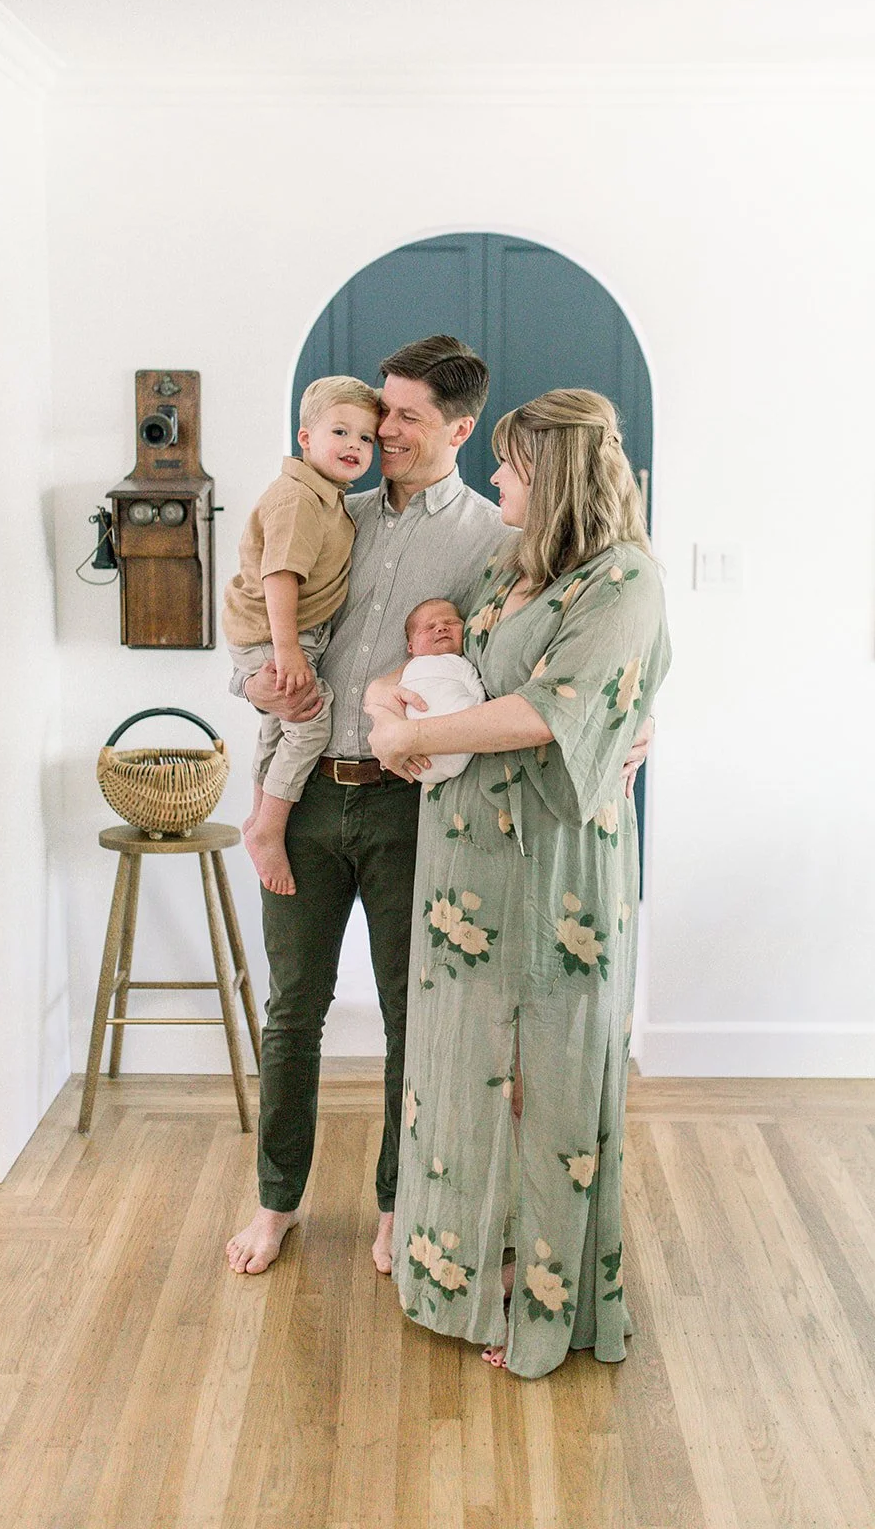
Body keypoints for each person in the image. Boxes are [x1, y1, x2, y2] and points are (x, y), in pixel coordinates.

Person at [366, 389, 671, 1379]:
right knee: (460, 1071)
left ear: (553, 477)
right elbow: (424, 657)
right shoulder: (509, 564)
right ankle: (467, 1273)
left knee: (546, 1075)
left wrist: (408, 736)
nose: (494, 477)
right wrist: (385, 707)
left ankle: (544, 1298)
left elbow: (545, 711)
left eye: (509, 464)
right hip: (462, 865)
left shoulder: (622, 581)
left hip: (551, 869)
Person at [225, 336, 503, 1276]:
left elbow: (524, 662)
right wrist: (254, 683)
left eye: (408, 416)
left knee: (408, 1016)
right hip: (302, 798)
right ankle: (276, 1202)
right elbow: (251, 625)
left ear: (458, 429)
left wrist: (636, 727)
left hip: (409, 810)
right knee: (292, 1012)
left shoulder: (491, 540)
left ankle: (397, 1203)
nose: (383, 430)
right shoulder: (324, 509)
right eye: (382, 410)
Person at [222, 377, 380, 894]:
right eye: (340, 431)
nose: (355, 445)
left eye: (366, 438)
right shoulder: (298, 498)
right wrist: (288, 650)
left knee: (280, 722)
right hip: (275, 634)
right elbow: (280, 574)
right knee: (311, 719)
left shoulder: (327, 497)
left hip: (277, 634)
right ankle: (269, 828)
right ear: (305, 438)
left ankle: (257, 816)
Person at [399, 598, 486, 783]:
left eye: (451, 622)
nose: (441, 628)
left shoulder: (461, 663)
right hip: (412, 756)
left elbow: (478, 694)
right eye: (429, 627)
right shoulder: (409, 669)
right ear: (411, 647)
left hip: (459, 742)